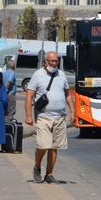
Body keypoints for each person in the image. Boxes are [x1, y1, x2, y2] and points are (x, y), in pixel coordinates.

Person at [24, 51, 75, 184]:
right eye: (51, 61)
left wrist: (73, 112)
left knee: (54, 146)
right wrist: (28, 115)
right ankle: (37, 166)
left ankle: (49, 174)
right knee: (43, 145)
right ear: (45, 62)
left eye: (56, 61)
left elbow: (68, 95)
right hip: (43, 116)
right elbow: (29, 95)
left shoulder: (61, 74)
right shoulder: (38, 75)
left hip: (59, 117)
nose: (53, 63)